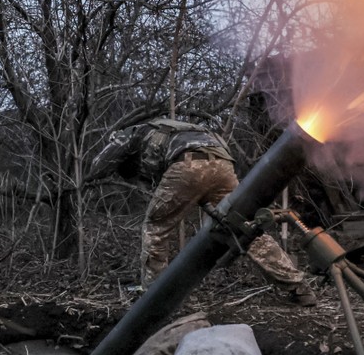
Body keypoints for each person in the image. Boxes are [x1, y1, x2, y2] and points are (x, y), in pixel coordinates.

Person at [88, 118, 317, 306]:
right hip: (222, 163)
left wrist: (86, 179)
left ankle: (152, 298)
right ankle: (298, 286)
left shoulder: (129, 133)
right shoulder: (172, 130)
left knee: (155, 228)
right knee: (243, 226)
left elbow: (98, 166)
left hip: (187, 164)